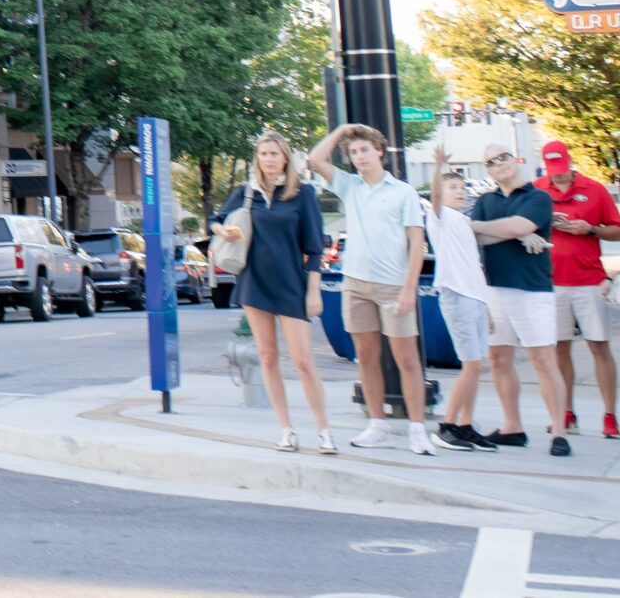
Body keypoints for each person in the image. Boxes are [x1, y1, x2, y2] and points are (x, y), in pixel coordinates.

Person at [306, 123, 432, 455]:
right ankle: (378, 425)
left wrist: (409, 288)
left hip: (393, 285)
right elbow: (315, 159)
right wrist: (342, 130)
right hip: (356, 284)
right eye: (353, 152)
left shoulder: (403, 192)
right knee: (365, 355)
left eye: (364, 150)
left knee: (407, 358)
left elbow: (416, 242)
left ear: (379, 151)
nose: (359, 156)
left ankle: (418, 428)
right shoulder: (350, 186)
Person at [212, 130, 334, 454]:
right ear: (257, 158)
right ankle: (286, 430)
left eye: (274, 154)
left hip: (291, 284)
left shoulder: (302, 194)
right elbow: (215, 220)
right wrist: (222, 230)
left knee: (303, 361)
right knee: (267, 357)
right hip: (254, 283)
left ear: (285, 158)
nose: (268, 159)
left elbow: (314, 248)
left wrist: (313, 291)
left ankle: (324, 431)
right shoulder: (246, 192)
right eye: (263, 154)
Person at [470, 143, 571, 457]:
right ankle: (512, 427)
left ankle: (559, 432)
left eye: (503, 157)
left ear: (515, 160)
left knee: (544, 360)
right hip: (495, 287)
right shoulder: (485, 201)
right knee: (499, 359)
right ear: (488, 170)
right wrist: (512, 232)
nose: (499, 163)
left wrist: (513, 229)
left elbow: (520, 225)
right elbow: (476, 238)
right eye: (491, 162)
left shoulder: (538, 197)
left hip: (532, 288)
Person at [535, 140, 620, 440]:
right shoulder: (536, 191)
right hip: (550, 282)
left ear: (570, 162)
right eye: (552, 169)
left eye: (561, 168)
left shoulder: (593, 189)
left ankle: (609, 416)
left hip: (589, 280)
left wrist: (590, 229)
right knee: (560, 347)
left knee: (599, 346)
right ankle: (566, 413)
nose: (558, 175)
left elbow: (617, 229)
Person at [422, 145, 497, 451]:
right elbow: (435, 198)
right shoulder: (438, 218)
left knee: (476, 366)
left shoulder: (464, 223)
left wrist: (486, 308)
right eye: (453, 187)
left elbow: (474, 268)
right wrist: (439, 167)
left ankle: (466, 425)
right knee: (471, 365)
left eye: (463, 187)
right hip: (457, 296)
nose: (461, 192)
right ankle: (447, 427)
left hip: (475, 298)